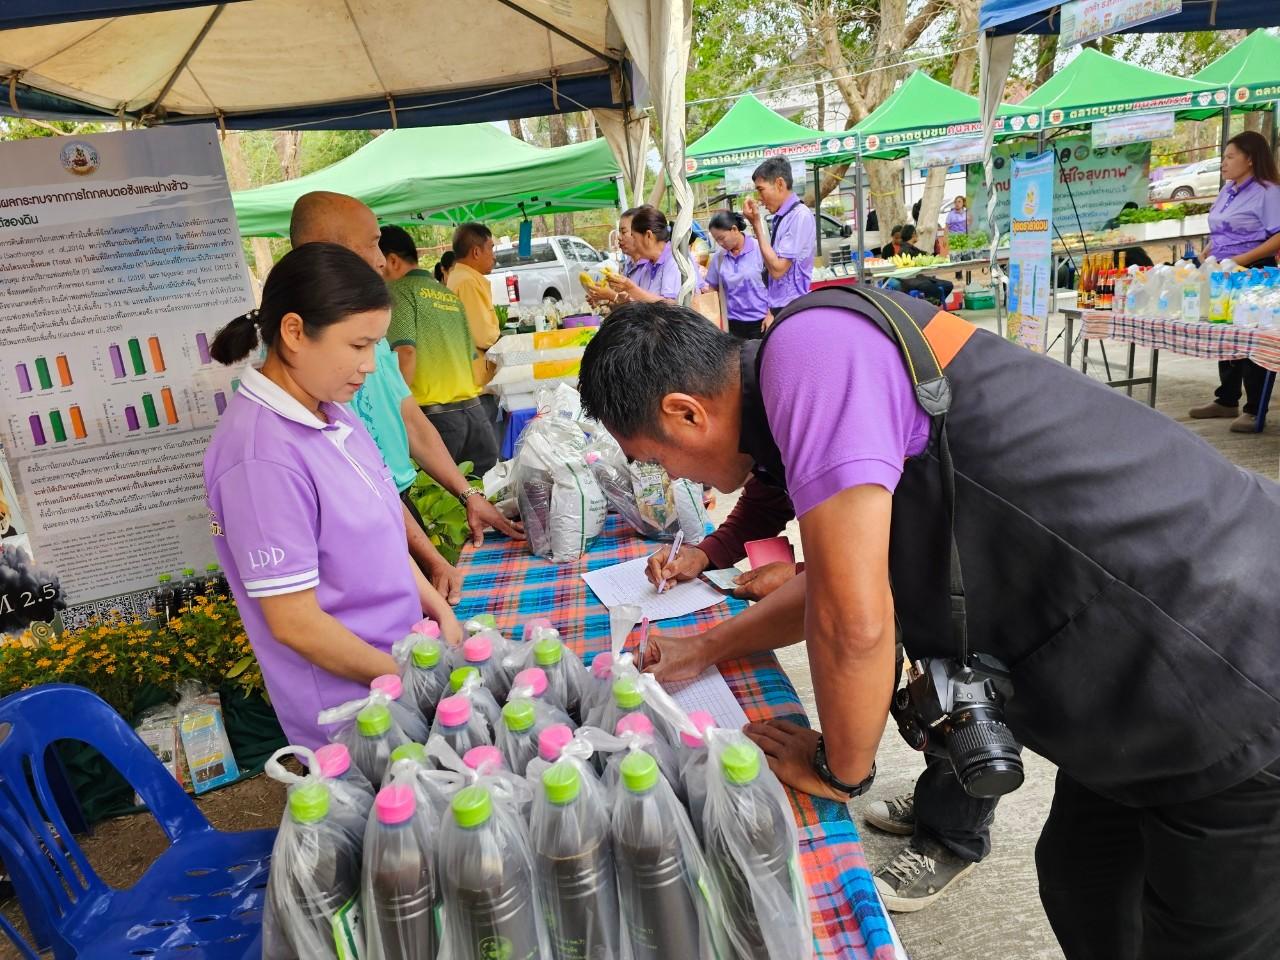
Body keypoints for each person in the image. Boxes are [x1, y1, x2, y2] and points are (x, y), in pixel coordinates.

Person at [576, 294, 1280, 960]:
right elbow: (840, 573)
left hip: (1224, 654)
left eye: (654, 459)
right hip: (1134, 671)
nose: (666, 479)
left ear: (686, 412)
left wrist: (840, 769)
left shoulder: (815, 357)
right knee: (1084, 878)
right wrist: (706, 646)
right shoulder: (802, 368)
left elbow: (852, 617)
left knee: (1201, 932)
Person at [640, 476, 999, 911]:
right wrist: (711, 552)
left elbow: (858, 600)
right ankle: (937, 795)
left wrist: (840, 772)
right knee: (929, 700)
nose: (690, 481)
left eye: (666, 459)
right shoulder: (773, 424)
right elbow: (773, 490)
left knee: (969, 706)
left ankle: (954, 838)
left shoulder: (834, 424)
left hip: (977, 559)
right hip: (919, 560)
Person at [203, 244, 461, 748]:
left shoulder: (332, 411)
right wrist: (402, 678)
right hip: (355, 714)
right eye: (358, 346)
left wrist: (439, 610)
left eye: (377, 347)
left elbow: (382, 540)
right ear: (295, 332)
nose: (369, 366)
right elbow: (296, 622)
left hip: (403, 671)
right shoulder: (259, 457)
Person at [289, 194, 519, 604]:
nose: (381, 260)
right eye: (372, 243)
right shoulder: (311, 355)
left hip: (395, 509)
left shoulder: (363, 331)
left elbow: (408, 417)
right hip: (362, 527)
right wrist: (428, 557)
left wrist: (467, 495)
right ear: (329, 248)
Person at [380, 226, 503, 477]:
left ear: (391, 260)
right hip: (474, 415)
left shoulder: (399, 292)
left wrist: (392, 413)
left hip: (435, 422)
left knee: (438, 509)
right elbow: (469, 357)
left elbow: (405, 351)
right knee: (486, 501)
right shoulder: (448, 295)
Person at [1189, 130, 1280, 433]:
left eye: (1230, 157)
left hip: (1254, 273)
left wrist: (1241, 260)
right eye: (1223, 158)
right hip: (1222, 271)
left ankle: (1255, 409)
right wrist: (1208, 252)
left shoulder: (1269, 191)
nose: (1223, 164)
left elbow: (1278, 235)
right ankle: (1226, 399)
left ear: (1250, 159)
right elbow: (1222, 229)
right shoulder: (1228, 190)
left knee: (1252, 339)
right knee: (1226, 334)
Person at [446, 222, 505, 447]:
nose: (494, 256)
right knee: (488, 448)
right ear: (476, 251)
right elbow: (484, 335)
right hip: (475, 380)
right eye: (491, 248)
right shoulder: (468, 282)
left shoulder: (462, 277)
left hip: (471, 376)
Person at [743, 157, 815, 311]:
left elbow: (777, 270)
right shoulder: (782, 216)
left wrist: (756, 225)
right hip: (780, 305)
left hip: (792, 306)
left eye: (761, 190)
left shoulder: (799, 216)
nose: (760, 199)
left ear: (780, 184)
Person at [703, 209, 770, 340]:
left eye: (722, 238)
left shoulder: (760, 249)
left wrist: (771, 314)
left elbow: (776, 284)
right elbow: (712, 289)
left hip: (761, 322)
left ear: (734, 229)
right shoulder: (719, 257)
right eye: (717, 241)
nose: (720, 243)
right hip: (732, 324)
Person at [596, 205, 681, 305]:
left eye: (634, 237)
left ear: (648, 236)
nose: (634, 244)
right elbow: (644, 303)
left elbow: (672, 306)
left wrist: (630, 289)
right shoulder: (648, 266)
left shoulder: (674, 260)